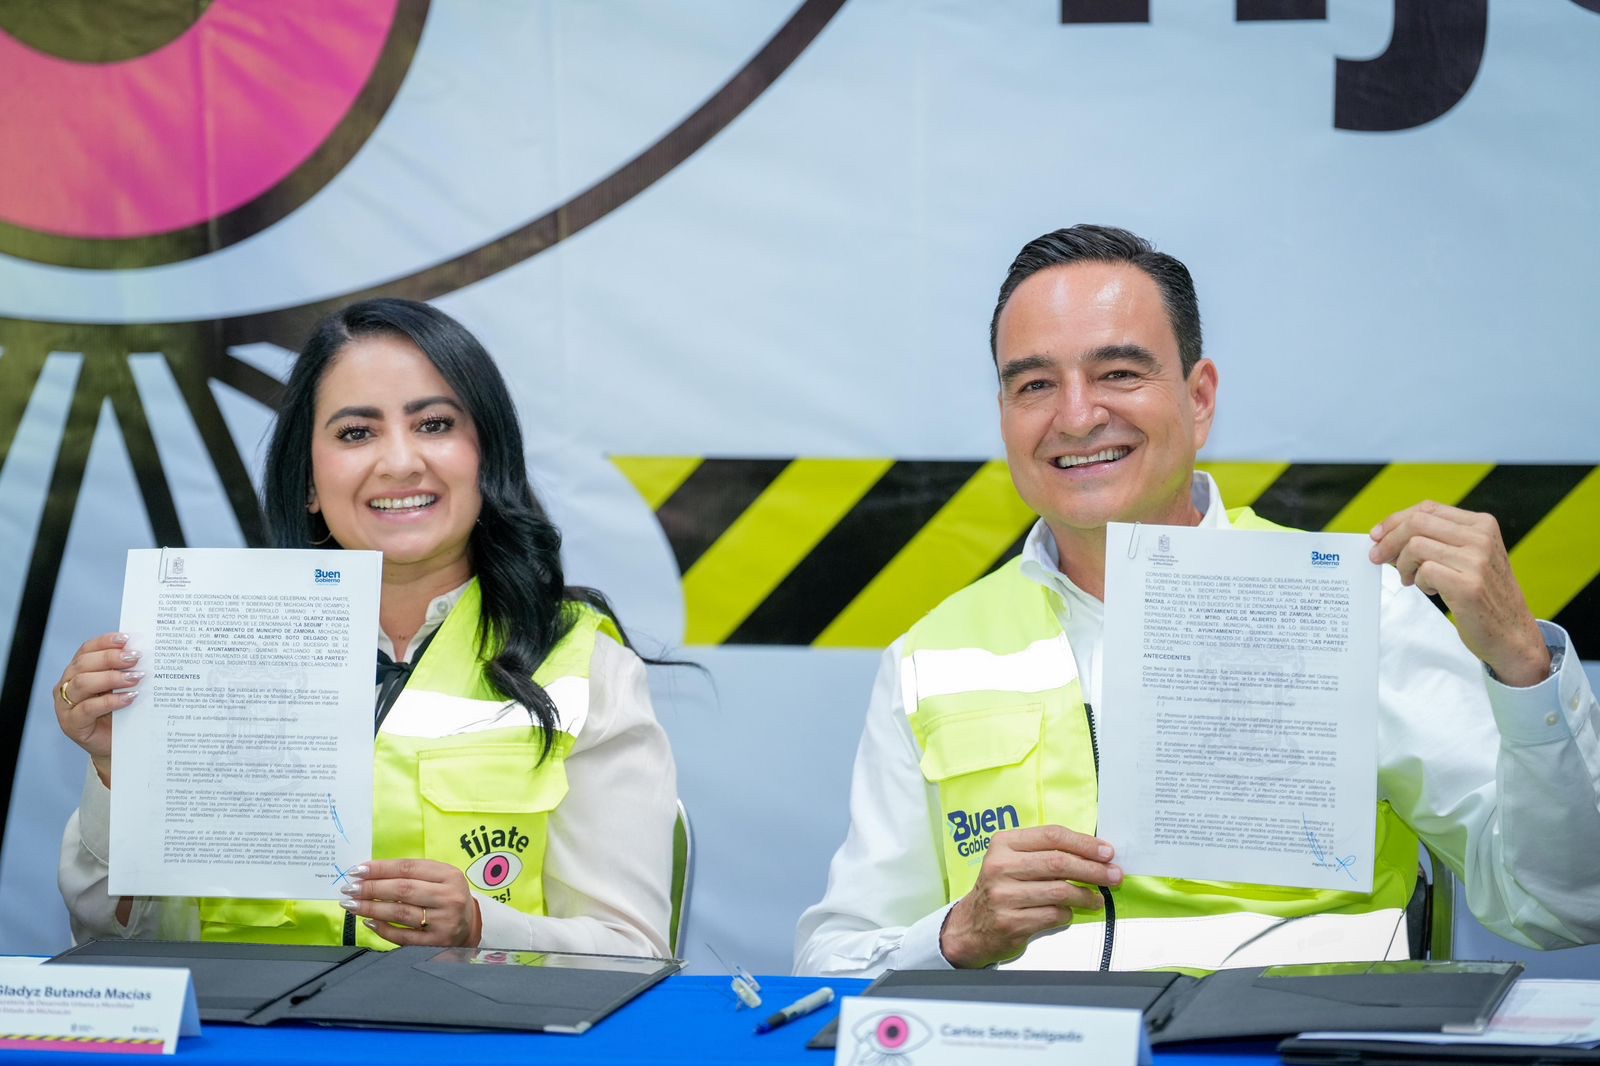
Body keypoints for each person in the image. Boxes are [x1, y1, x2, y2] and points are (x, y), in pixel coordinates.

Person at [795, 225, 1600, 976]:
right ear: (1004, 415)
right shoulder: (930, 656)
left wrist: (1524, 668)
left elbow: (1562, 904)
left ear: (1200, 397)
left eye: (1118, 373)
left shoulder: (1352, 606)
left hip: (1298, 1049)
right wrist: (956, 934)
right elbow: (833, 961)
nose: (1076, 416)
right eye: (1035, 384)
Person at [56, 298, 678, 956]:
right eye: (357, 433)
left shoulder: (581, 665)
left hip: (467, 1023)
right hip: (244, 1022)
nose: (400, 462)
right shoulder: (207, 650)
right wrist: (118, 769)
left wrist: (480, 929)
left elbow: (631, 954)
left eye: (434, 424)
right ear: (308, 481)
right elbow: (111, 938)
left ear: (486, 456)